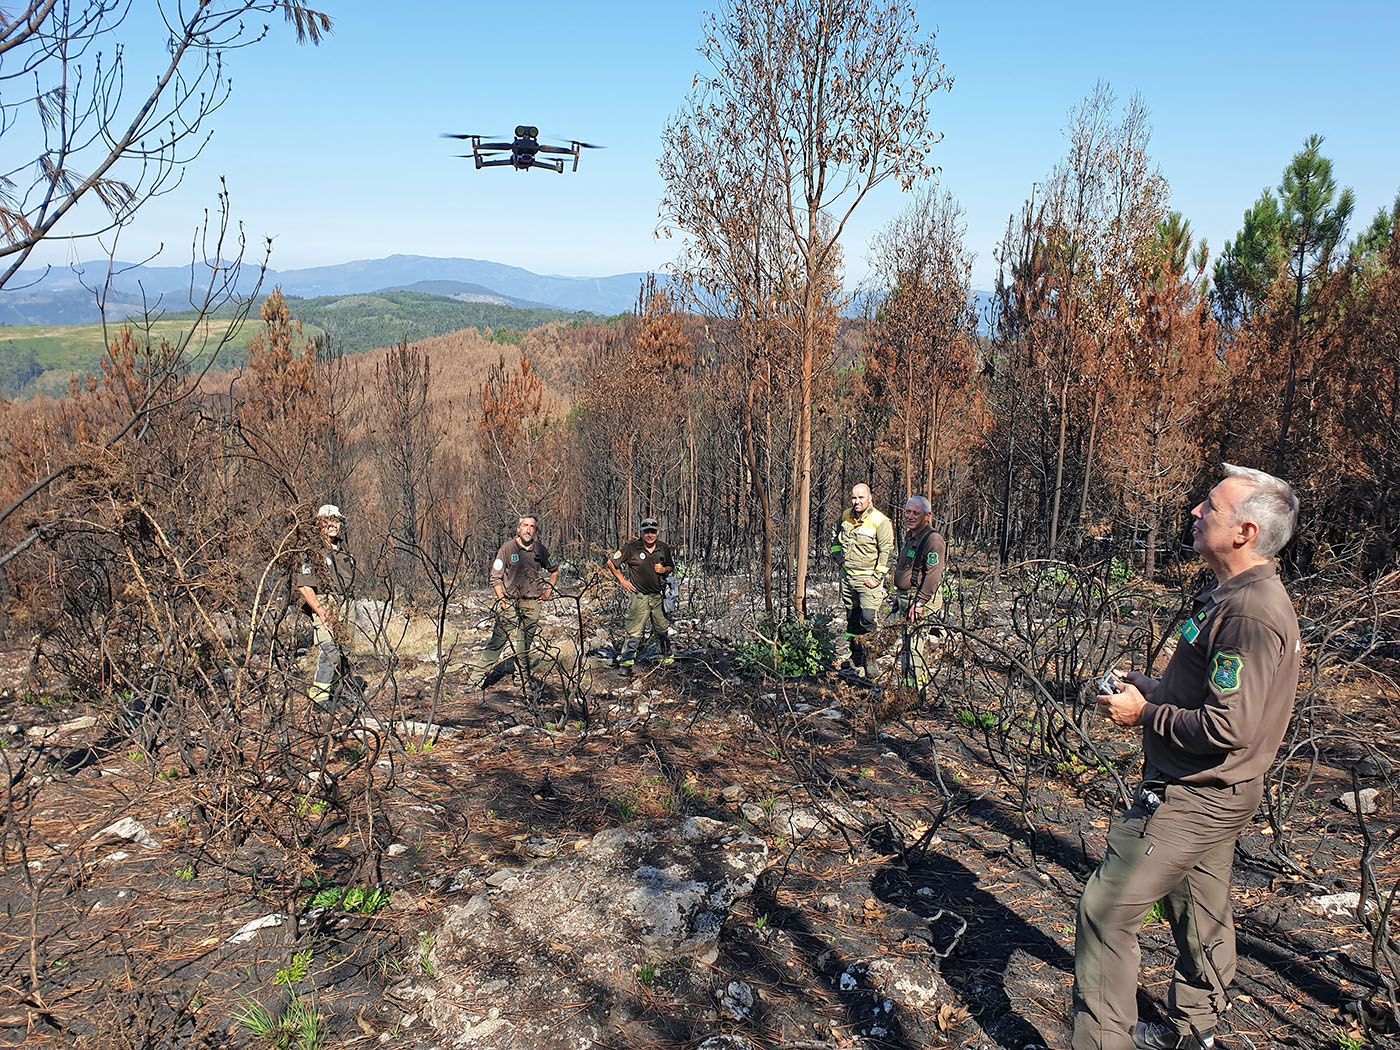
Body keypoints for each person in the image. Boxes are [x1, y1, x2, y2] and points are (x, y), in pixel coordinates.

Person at [1072, 464, 1301, 1050]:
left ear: (1245, 532)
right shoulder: (1233, 595)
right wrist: (1156, 690)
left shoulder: (1250, 612)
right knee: (1199, 904)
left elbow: (1229, 726)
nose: (1197, 512)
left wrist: (1145, 715)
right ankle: (1197, 1027)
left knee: (1105, 910)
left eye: (1211, 507)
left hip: (1195, 794)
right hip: (1215, 788)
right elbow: (1219, 699)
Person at [469, 514, 560, 688]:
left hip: (532, 603)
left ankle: (522, 680)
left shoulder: (540, 550)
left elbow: (554, 570)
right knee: (497, 642)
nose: (528, 529)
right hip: (509, 603)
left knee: (524, 645)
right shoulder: (507, 548)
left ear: (535, 531)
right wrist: (502, 599)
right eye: (525, 525)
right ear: (518, 529)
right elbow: (495, 577)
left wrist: (548, 591)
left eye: (532, 526)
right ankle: (475, 681)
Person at [294, 504, 357, 708]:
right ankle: (319, 697)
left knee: (344, 649)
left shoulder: (343, 549)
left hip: (347, 602)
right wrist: (320, 611)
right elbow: (304, 586)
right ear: (320, 523)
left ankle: (337, 692)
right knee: (329, 649)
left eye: (336, 520)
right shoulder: (311, 551)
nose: (333, 525)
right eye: (328, 520)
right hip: (324, 601)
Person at [830, 483, 894, 677]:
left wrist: (876, 578)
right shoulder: (845, 516)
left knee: (868, 620)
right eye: (854, 497)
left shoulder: (880, 521)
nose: (857, 501)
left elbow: (887, 553)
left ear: (870, 497)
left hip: (868, 582)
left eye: (861, 497)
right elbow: (835, 540)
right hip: (848, 579)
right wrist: (839, 560)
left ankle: (870, 660)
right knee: (852, 619)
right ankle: (855, 656)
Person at [891, 495, 947, 688]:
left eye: (916, 513)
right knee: (908, 644)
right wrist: (900, 596)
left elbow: (933, 574)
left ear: (927, 516)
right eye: (908, 512)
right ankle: (908, 686)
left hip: (921, 599)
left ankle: (915, 691)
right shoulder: (911, 535)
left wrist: (920, 602)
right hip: (908, 597)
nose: (910, 516)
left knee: (915, 645)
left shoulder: (933, 540)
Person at [607, 516, 676, 668]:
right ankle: (627, 659)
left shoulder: (663, 547)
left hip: (658, 596)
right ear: (642, 532)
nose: (650, 534)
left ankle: (665, 657)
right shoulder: (632, 548)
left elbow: (671, 566)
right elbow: (611, 563)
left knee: (662, 628)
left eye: (653, 531)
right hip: (639, 597)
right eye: (647, 531)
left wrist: (664, 569)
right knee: (634, 630)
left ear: (657, 532)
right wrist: (622, 581)